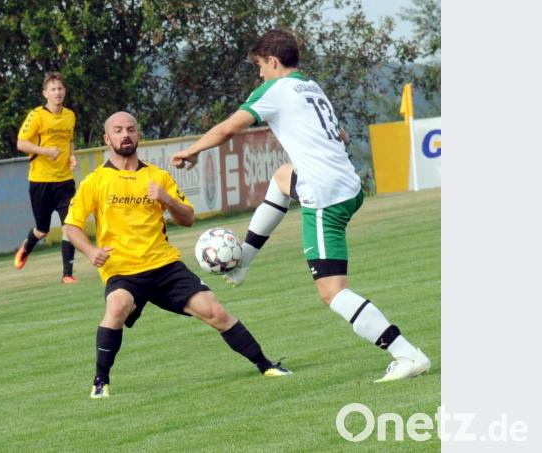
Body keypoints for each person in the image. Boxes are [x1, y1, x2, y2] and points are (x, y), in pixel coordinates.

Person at [170, 29, 430, 383]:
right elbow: (340, 135)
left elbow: (229, 128)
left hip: (325, 197)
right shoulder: (310, 85)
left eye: (260, 66)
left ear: (273, 61)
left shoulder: (274, 89)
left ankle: (406, 353)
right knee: (282, 177)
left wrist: (192, 151)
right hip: (347, 185)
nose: (259, 73)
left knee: (332, 292)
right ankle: (243, 262)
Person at [63, 111, 291, 399]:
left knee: (214, 310)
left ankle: (266, 365)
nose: (125, 135)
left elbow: (187, 218)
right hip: (122, 270)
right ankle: (100, 381)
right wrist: (90, 250)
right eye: (118, 131)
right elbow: (71, 226)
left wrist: (167, 199)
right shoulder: (95, 181)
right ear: (107, 139)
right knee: (118, 305)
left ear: (139, 135)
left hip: (164, 266)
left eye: (130, 129)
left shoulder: (157, 177)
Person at [14, 72, 78, 283]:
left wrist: (72, 156)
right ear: (45, 93)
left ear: (64, 91)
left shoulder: (70, 115)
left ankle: (67, 274)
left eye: (60, 88)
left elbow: (69, 140)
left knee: (70, 226)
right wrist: (45, 151)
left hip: (65, 181)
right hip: (41, 181)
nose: (57, 92)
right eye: (53, 89)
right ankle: (26, 247)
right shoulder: (37, 115)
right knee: (42, 230)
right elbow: (21, 143)